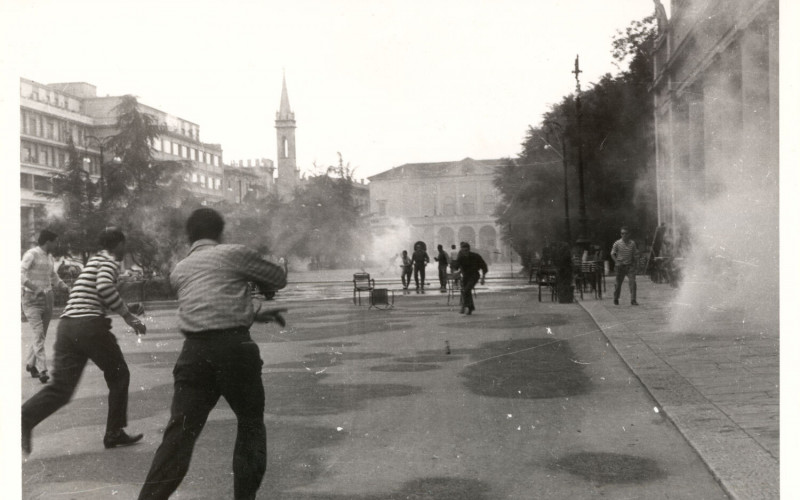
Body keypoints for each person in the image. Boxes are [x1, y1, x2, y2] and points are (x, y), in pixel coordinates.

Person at [139, 208, 287, 500]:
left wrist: (253, 312)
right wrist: (274, 259)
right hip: (235, 350)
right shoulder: (233, 253)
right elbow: (277, 278)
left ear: (189, 236)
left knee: (178, 438)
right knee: (250, 425)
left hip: (193, 354)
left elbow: (209, 302)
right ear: (220, 233)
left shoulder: (180, 269)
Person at [21, 227, 147, 455]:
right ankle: (114, 432)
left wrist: (128, 307)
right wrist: (129, 317)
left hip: (68, 327)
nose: (124, 249)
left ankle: (23, 418)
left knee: (62, 388)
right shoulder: (109, 261)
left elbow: (96, 295)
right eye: (123, 244)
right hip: (90, 327)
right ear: (117, 244)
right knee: (119, 375)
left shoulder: (94, 262)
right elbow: (105, 288)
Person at [21, 229, 70, 383]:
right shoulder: (31, 254)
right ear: (48, 241)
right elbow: (19, 274)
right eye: (55, 241)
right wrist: (35, 288)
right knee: (38, 334)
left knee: (40, 334)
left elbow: (53, 276)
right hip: (31, 299)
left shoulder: (49, 257)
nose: (57, 244)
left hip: (47, 298)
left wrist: (64, 287)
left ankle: (30, 363)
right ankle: (42, 370)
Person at [455, 242, 488, 315]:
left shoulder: (475, 256)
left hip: (474, 275)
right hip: (466, 276)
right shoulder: (461, 257)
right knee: (466, 291)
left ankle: (465, 306)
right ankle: (470, 308)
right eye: (463, 251)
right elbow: (456, 267)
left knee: (466, 290)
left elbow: (484, 267)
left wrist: (483, 278)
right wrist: (453, 264)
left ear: (469, 250)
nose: (465, 252)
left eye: (466, 250)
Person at [611, 226, 639, 305]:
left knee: (633, 283)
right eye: (622, 233)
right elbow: (612, 254)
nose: (624, 235)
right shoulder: (617, 243)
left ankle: (633, 300)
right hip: (620, 266)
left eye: (625, 233)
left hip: (630, 266)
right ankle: (616, 298)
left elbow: (635, 254)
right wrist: (616, 262)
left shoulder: (632, 243)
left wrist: (635, 264)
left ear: (629, 234)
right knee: (618, 284)